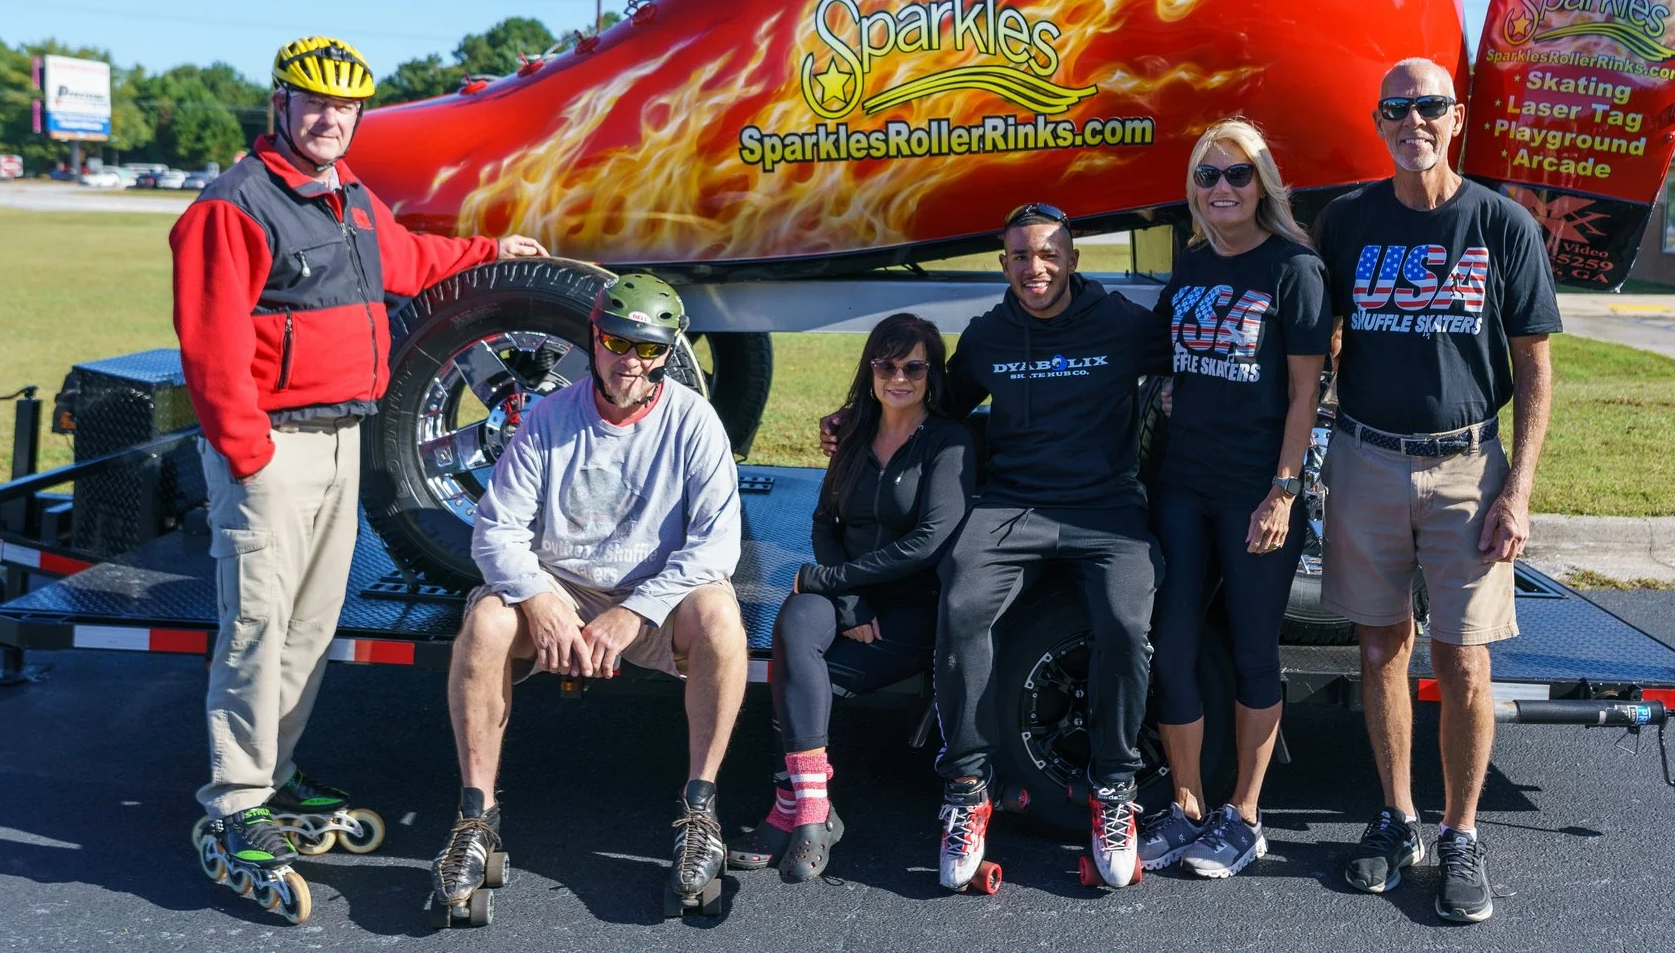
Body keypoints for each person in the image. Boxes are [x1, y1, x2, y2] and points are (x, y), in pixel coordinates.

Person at [170, 35, 545, 916]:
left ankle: (278, 776)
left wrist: (492, 250)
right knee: (257, 630)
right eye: (314, 102)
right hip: (271, 449)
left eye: (345, 108)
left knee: (308, 628)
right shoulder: (234, 206)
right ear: (282, 105)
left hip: (345, 440)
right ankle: (233, 806)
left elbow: (410, 262)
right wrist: (249, 455)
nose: (330, 118)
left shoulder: (348, 198)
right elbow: (211, 347)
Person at [1314, 58, 1559, 924]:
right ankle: (1397, 820)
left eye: (1428, 106)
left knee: (1462, 656)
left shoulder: (1503, 225)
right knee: (1381, 643)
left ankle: (1460, 834)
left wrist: (1518, 488)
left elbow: (1534, 366)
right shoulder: (1346, 222)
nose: (1411, 120)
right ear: (1378, 122)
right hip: (1366, 457)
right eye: (1395, 108)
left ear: (1456, 118)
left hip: (1467, 467)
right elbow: (1318, 334)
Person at [437, 273, 748, 915]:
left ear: (668, 353)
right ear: (594, 339)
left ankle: (700, 813)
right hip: (564, 590)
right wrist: (538, 598)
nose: (632, 361)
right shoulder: (550, 417)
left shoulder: (694, 422)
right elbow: (496, 529)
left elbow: (717, 548)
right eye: (618, 341)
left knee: (720, 617)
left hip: (653, 598)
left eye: (651, 349)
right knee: (489, 621)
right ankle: (475, 818)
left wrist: (637, 612)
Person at [925, 204, 1165, 889]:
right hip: (1011, 508)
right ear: (1004, 265)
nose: (1037, 269)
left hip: (1107, 509)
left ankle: (1114, 789)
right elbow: (938, 406)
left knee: (1125, 625)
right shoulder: (988, 336)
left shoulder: (1121, 323)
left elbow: (1204, 358)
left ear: (1073, 260)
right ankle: (968, 787)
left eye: (1050, 255)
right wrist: (856, 421)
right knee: (963, 608)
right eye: (1022, 257)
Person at [1140, 120, 1329, 878]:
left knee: (1253, 649)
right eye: (1208, 176)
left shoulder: (1294, 268)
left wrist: (1283, 493)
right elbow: (1149, 351)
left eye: (1238, 175)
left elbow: (1305, 393)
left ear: (1264, 185)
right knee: (1175, 643)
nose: (1222, 188)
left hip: (1259, 491)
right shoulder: (1189, 265)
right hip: (1183, 483)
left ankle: (1245, 816)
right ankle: (1186, 803)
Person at [728, 314, 973, 882]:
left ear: (931, 373)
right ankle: (814, 811)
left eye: (913, 366)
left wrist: (837, 584)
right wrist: (849, 599)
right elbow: (825, 522)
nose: (899, 378)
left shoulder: (948, 441)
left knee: (800, 670)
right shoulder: (853, 432)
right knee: (794, 622)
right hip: (852, 600)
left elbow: (930, 540)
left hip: (911, 611)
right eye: (885, 366)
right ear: (870, 370)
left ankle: (789, 809)